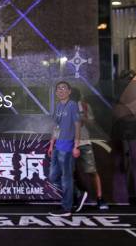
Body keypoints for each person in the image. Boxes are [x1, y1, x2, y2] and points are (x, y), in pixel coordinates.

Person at [48, 81, 81, 217]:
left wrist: (76, 146)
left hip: (68, 146)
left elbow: (77, 125)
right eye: (58, 89)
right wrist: (51, 144)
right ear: (56, 93)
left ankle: (67, 208)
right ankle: (77, 194)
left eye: (63, 88)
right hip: (57, 146)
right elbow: (56, 127)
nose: (60, 91)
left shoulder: (73, 105)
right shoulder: (58, 106)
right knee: (53, 177)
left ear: (69, 91)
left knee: (66, 178)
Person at [74, 96, 109, 210]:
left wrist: (83, 117)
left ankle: (100, 198)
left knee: (92, 171)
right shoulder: (62, 105)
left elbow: (91, 124)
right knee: (67, 172)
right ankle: (78, 195)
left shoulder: (84, 106)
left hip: (84, 142)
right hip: (68, 143)